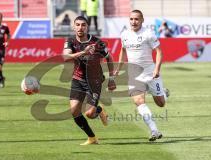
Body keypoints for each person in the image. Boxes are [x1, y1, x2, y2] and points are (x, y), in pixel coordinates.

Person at [114, 10, 170, 141]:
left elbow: (159, 52)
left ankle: (164, 94)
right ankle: (154, 130)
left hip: (151, 74)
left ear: (142, 20)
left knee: (161, 103)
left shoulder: (148, 34)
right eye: (131, 19)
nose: (134, 22)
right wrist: (118, 69)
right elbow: (123, 52)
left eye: (136, 19)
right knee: (139, 102)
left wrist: (157, 69)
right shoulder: (124, 34)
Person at [63, 16, 116, 145]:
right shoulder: (70, 41)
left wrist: (111, 78)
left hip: (94, 81)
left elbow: (109, 58)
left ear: (87, 27)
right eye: (78, 25)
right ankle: (92, 138)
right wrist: (84, 52)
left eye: (83, 25)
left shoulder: (97, 43)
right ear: (74, 27)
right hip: (77, 79)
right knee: (74, 112)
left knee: (90, 114)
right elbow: (65, 57)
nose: (80, 27)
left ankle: (99, 110)